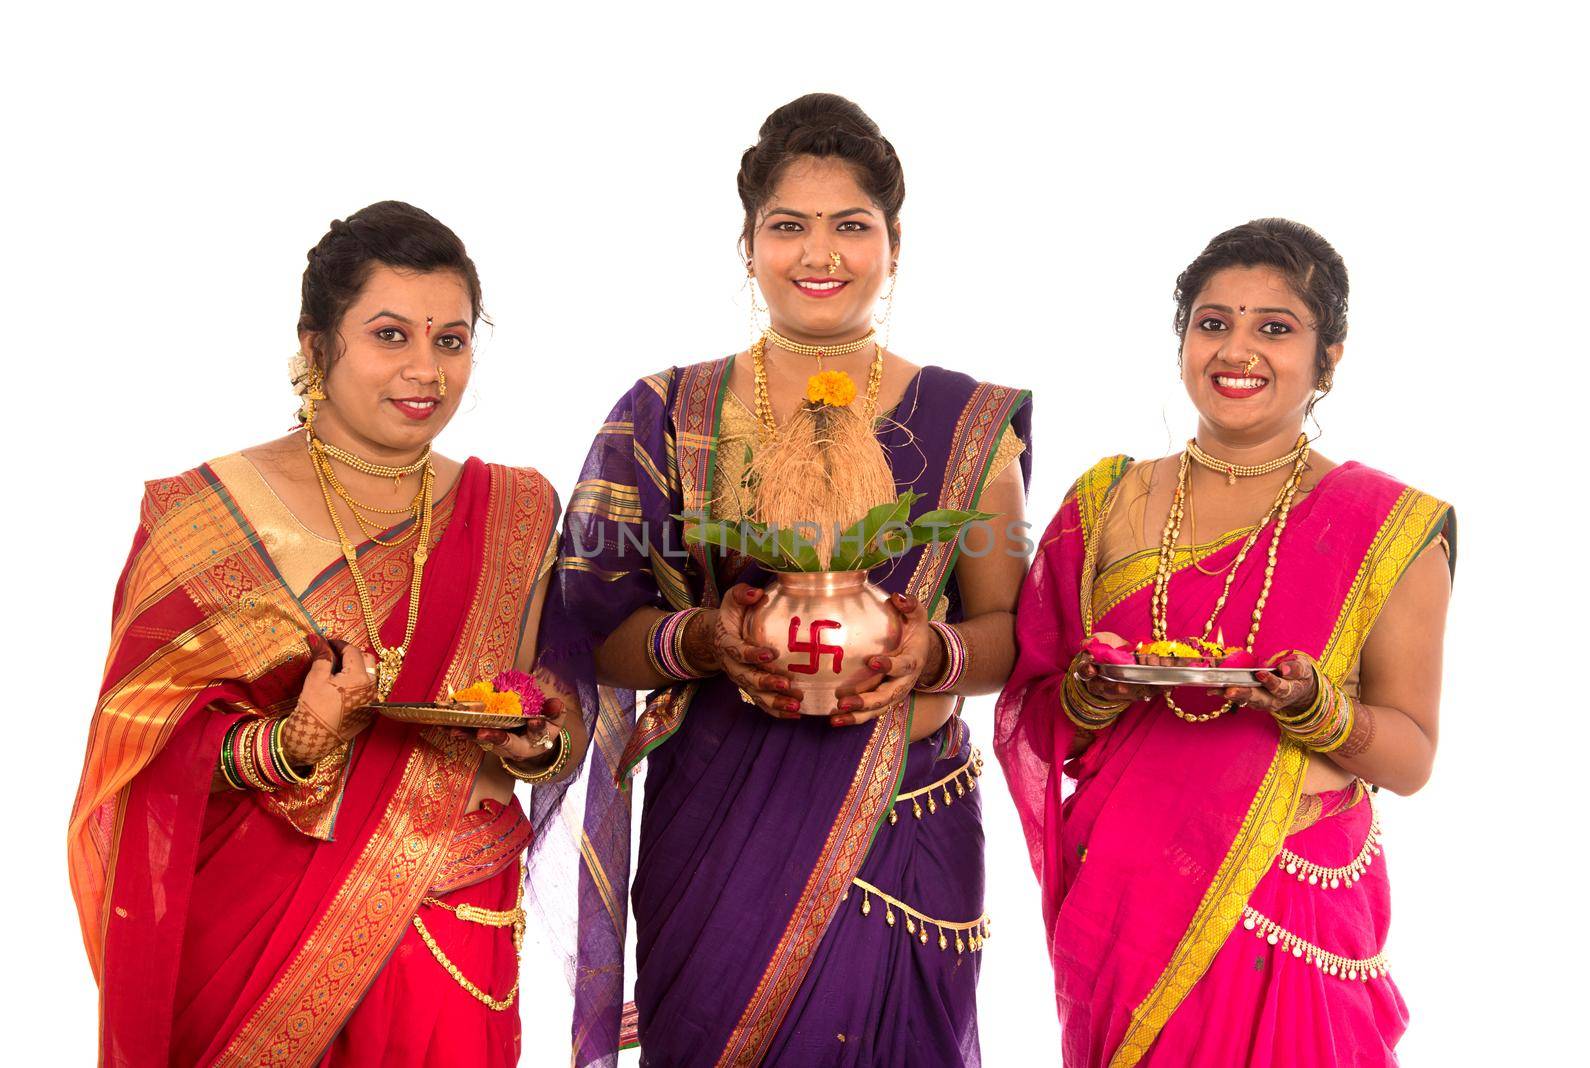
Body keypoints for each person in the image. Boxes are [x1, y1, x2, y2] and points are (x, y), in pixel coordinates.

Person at [545, 94, 1031, 1066]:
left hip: (902, 820)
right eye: (788, 227)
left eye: (851, 226)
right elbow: (591, 624)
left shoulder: (969, 424)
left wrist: (923, 651)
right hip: (720, 831)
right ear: (747, 243)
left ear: (894, 243)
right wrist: (708, 638)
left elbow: (1007, 633)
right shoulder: (665, 412)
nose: (820, 253)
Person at [67, 201, 587, 1066]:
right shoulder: (206, 518)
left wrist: (538, 739)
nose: (425, 370)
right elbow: (139, 748)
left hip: (455, 925)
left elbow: (545, 722)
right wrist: (297, 737)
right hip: (262, 936)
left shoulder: (515, 512)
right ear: (316, 348)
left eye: (451, 341)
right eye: (391, 335)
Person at [995, 218, 1455, 1067]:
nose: (1237, 349)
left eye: (1274, 328)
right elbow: (1036, 703)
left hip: (1286, 897)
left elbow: (1412, 756)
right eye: (1213, 322)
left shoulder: (1389, 526)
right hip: (1130, 890)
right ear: (1183, 339)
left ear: (1330, 356)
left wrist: (1317, 709)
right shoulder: (1108, 501)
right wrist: (1091, 693)